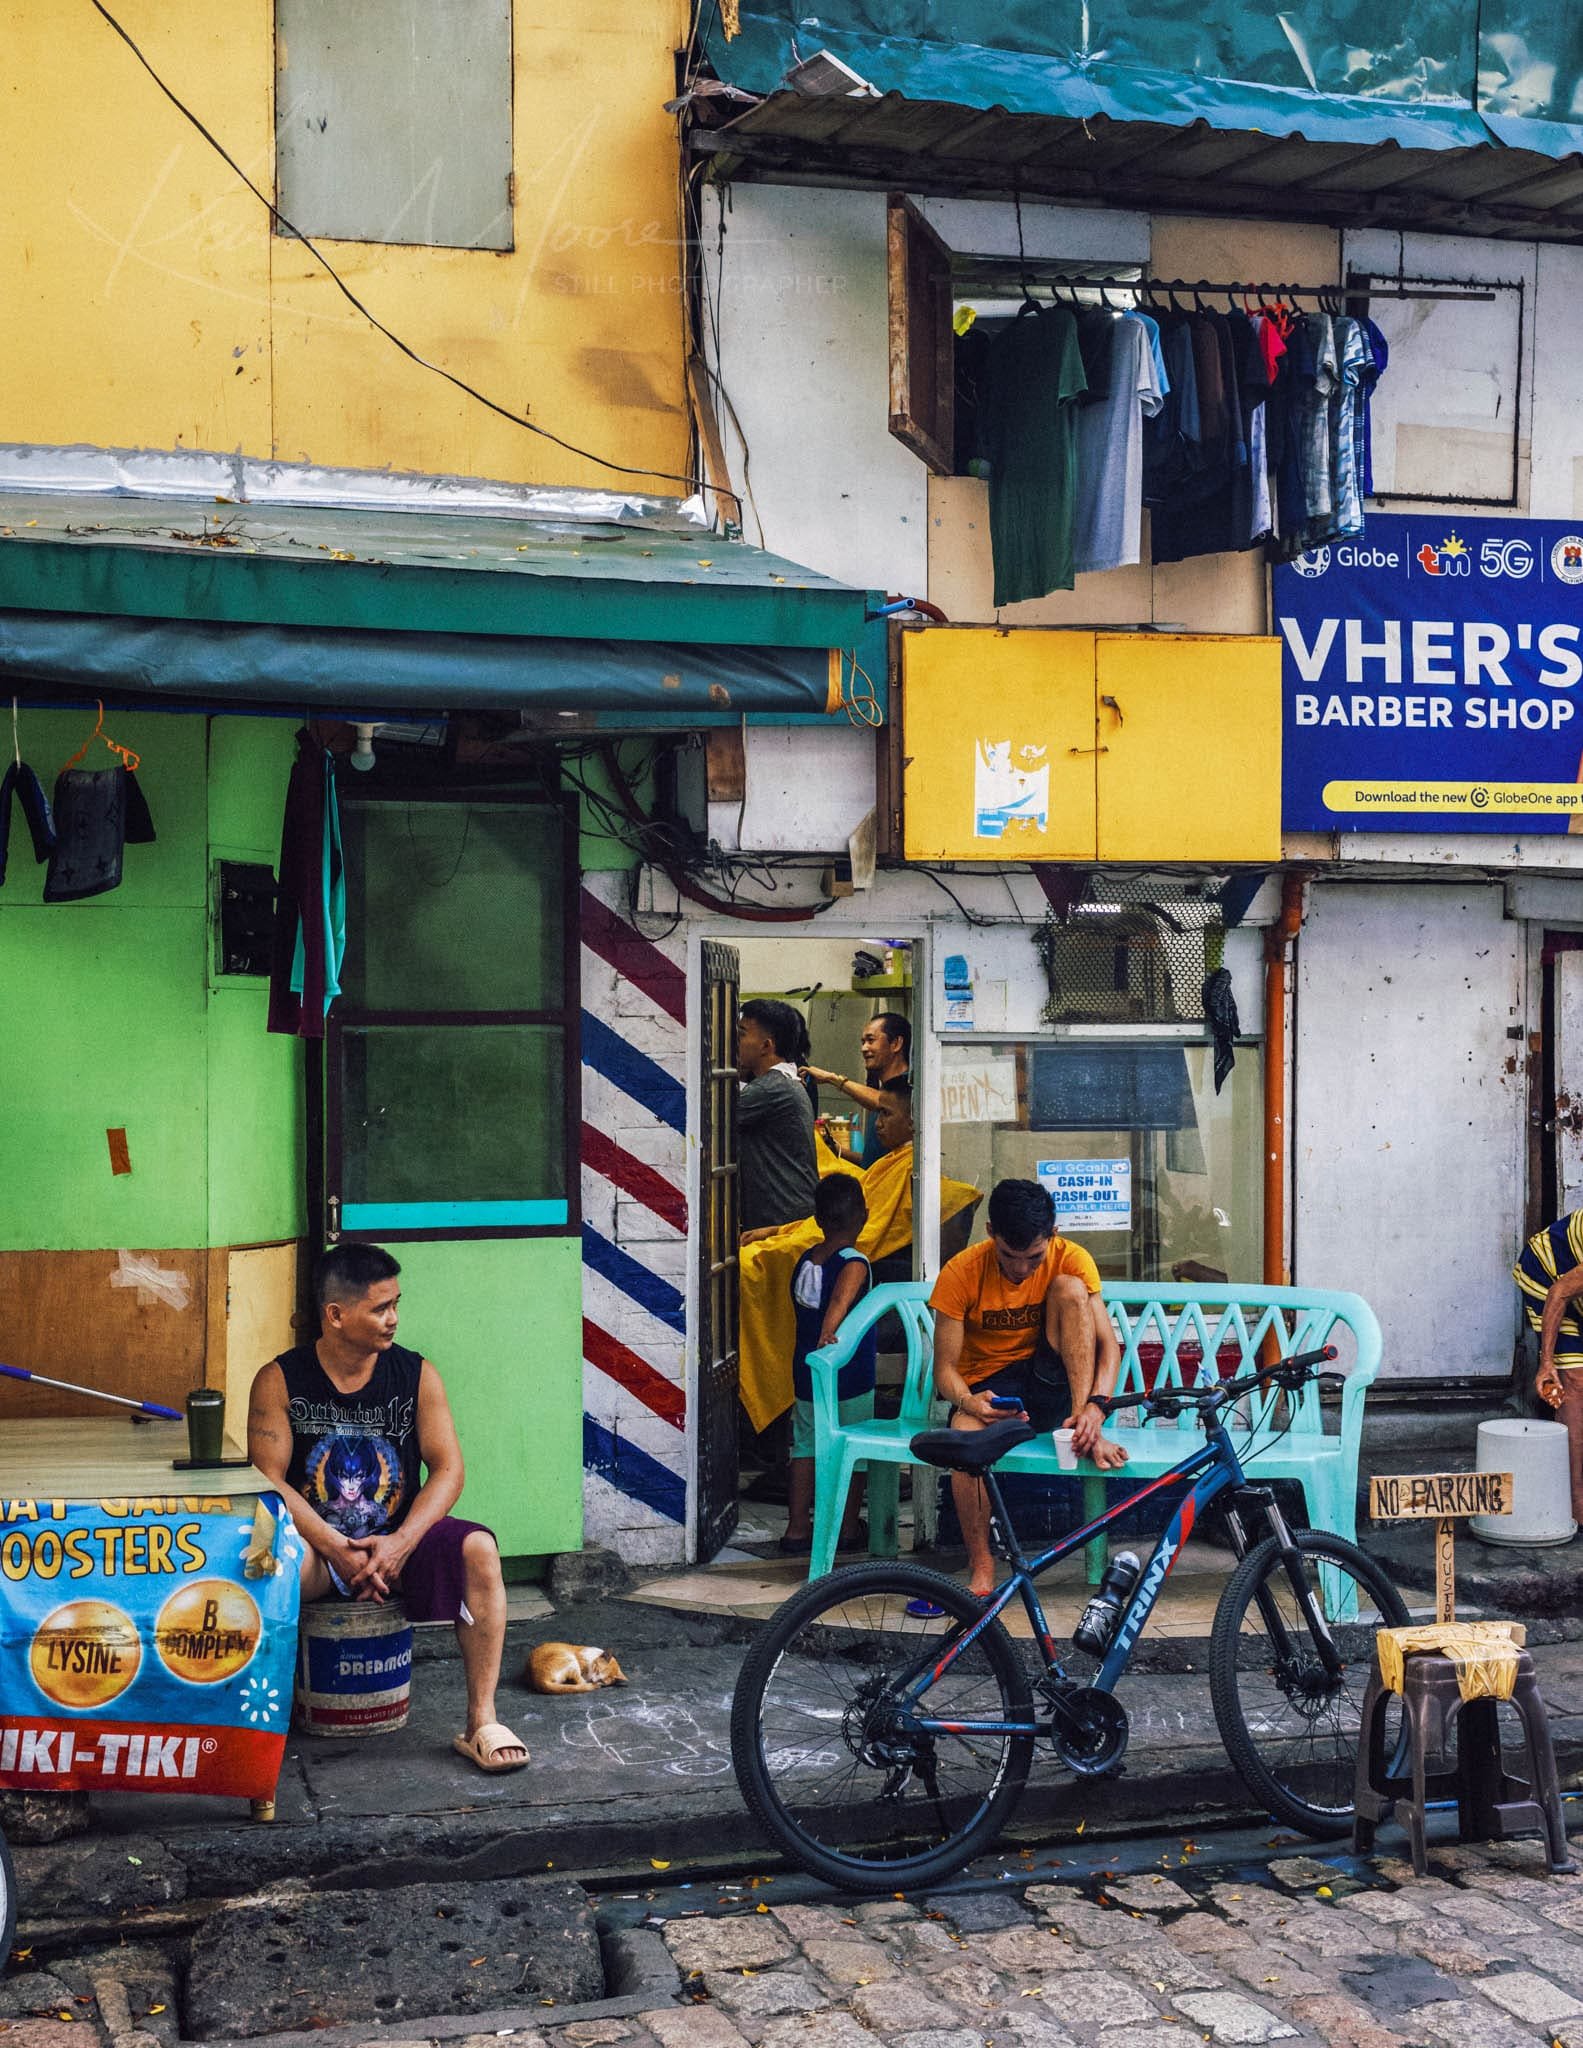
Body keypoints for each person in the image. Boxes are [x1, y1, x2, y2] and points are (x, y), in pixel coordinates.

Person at [247, 1242, 530, 1773]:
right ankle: (261, 1726)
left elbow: (449, 1469)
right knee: (265, 1561)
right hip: (315, 1547)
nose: (394, 1318)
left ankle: (482, 1721)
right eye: (380, 1308)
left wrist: (401, 1544)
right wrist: (334, 1547)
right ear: (335, 1315)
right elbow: (269, 1480)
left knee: (479, 1550)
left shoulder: (416, 1375)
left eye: (396, 1303)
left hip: (398, 1546)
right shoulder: (279, 1380)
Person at [930, 1177, 1125, 1597]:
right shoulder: (960, 1272)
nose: (1020, 1269)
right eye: (1008, 1255)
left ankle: (1081, 1430)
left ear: (1052, 1235)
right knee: (963, 1437)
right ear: (990, 1234)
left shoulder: (1072, 1258)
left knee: (1069, 1289)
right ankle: (982, 1566)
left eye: (1033, 1256)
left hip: (1053, 1383)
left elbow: (1110, 1349)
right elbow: (943, 1371)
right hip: (989, 1391)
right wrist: (969, 1402)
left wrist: (1094, 1410)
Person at [780, 1174, 876, 1557]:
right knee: (852, 1449)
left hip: (806, 1371)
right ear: (864, 1216)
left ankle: (797, 1528)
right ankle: (847, 1528)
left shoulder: (807, 1259)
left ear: (818, 1220)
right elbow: (839, 1303)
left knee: (805, 1447)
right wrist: (829, 1338)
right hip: (846, 1372)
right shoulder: (855, 1263)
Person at [1514, 1210, 1583, 1521]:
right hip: (1549, 1277)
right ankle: (1576, 1505)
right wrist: (1546, 1364)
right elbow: (1560, 1292)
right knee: (1576, 1382)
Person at [737, 997, 819, 1233]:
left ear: (767, 1046)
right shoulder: (784, 1081)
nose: (735, 1041)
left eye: (742, 1033)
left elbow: (713, 1118)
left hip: (781, 1215)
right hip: (789, 1212)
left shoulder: (770, 1088)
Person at [804, 1011, 911, 1165]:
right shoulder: (880, 1096)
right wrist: (837, 1149)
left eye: (871, 1040)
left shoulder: (909, 1087)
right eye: (863, 1042)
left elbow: (882, 1101)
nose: (864, 1048)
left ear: (896, 1044)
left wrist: (832, 1078)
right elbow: (872, 1164)